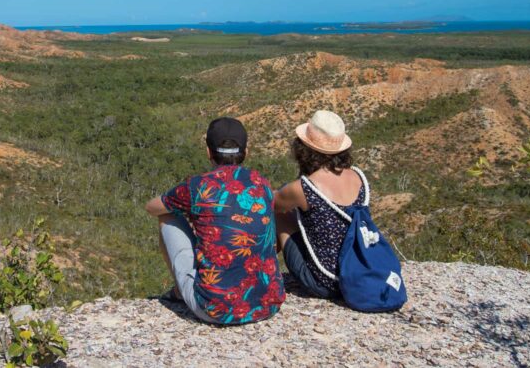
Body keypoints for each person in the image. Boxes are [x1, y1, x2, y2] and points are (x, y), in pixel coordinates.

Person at [144, 117, 285, 324]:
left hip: (214, 310)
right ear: (246, 152)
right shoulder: (262, 184)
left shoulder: (198, 186)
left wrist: (190, 210)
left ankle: (180, 290)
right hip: (268, 304)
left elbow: (152, 207)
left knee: (167, 215)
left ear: (209, 152)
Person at [274, 110, 369, 300]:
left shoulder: (304, 188)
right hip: (355, 275)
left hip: (324, 283)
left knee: (279, 214)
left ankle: (256, 268)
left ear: (303, 149)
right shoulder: (359, 177)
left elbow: (273, 203)